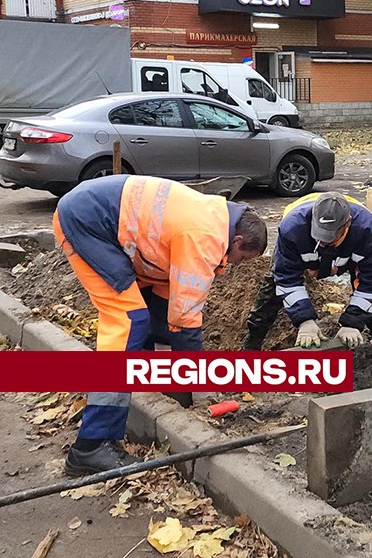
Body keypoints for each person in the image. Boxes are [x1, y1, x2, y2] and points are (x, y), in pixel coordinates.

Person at [52, 174, 268, 475]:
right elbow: (185, 321)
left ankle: (138, 382)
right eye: (240, 258)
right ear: (238, 240)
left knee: (150, 310)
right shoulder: (204, 238)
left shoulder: (213, 217)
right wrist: (197, 382)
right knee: (129, 321)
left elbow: (167, 304)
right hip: (89, 221)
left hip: (107, 223)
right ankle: (91, 445)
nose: (234, 266)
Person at [243, 192, 372, 350]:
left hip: (351, 245)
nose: (322, 242)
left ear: (347, 224)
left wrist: (353, 322)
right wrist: (305, 320)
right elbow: (287, 279)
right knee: (271, 289)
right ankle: (251, 346)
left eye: (329, 238)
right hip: (299, 238)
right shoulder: (292, 228)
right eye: (319, 235)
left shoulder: (369, 232)